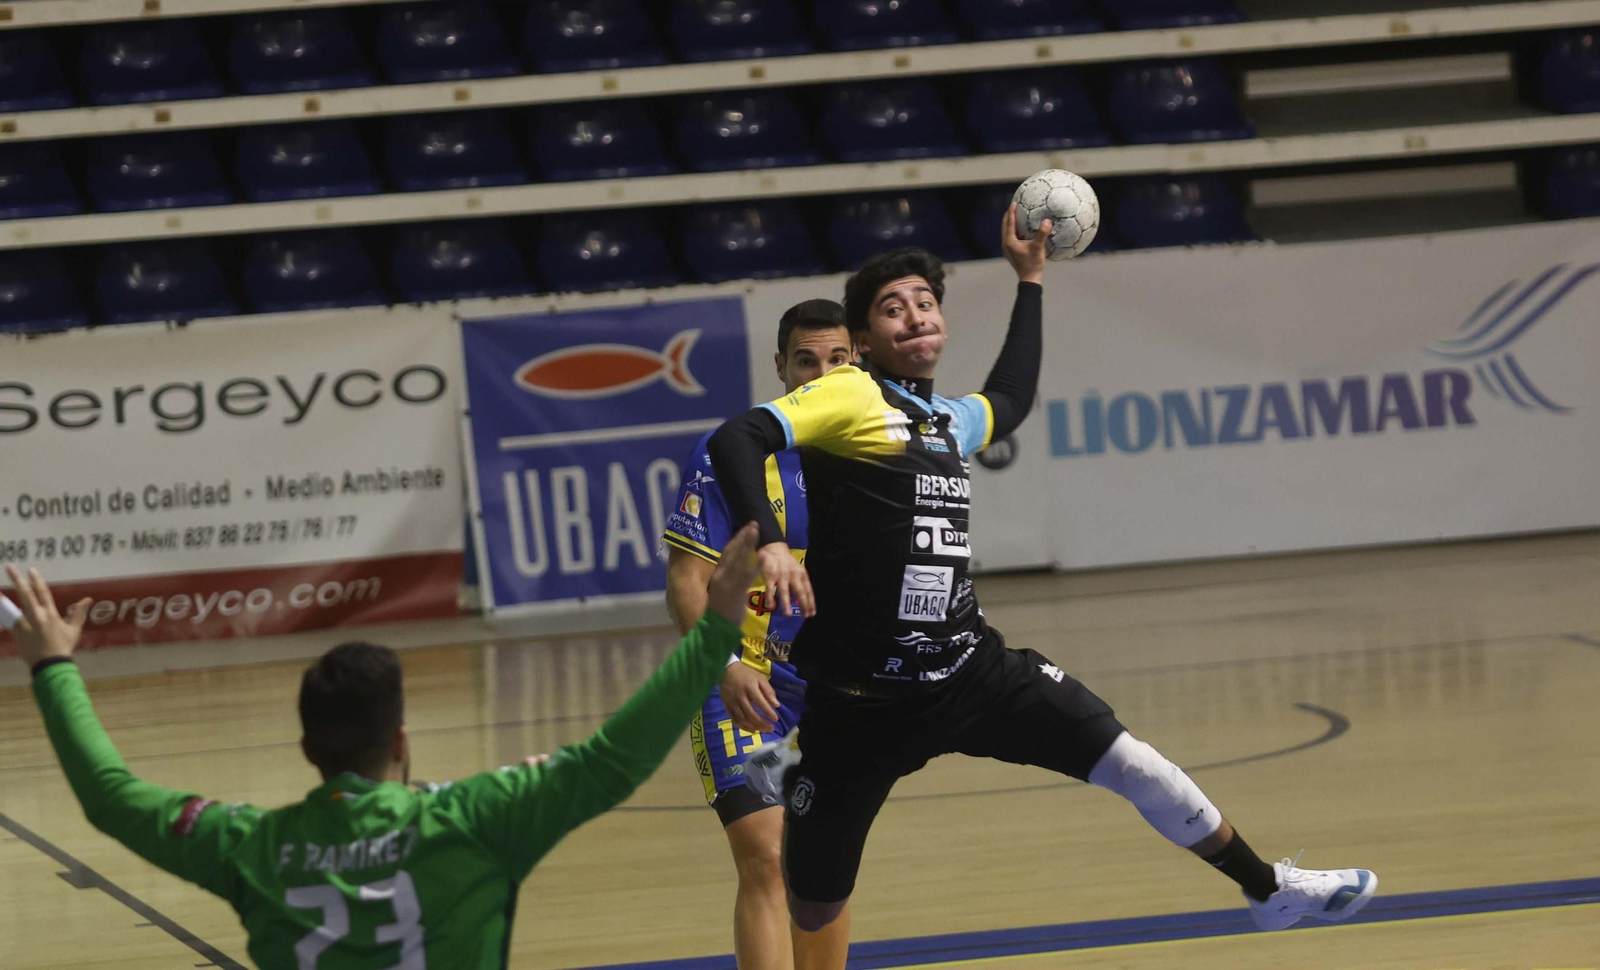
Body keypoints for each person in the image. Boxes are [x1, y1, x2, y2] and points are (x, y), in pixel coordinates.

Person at [707, 205, 1377, 958]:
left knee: (1133, 762)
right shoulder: (853, 395)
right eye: (893, 309)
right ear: (863, 343)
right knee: (813, 893)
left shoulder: (946, 420)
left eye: (926, 303)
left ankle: (1268, 888)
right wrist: (769, 542)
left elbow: (1012, 397)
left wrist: (1029, 280)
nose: (916, 315)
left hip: (970, 672)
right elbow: (738, 436)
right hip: (861, 703)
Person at [4, 524, 762, 970]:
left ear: (306, 747)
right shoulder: (477, 819)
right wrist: (717, 628)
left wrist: (52, 666)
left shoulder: (251, 848)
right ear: (400, 738)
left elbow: (107, 795)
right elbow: (614, 759)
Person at [662, 299, 853, 970]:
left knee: (820, 862)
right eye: (807, 360)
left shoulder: (876, 457)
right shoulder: (735, 452)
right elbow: (687, 578)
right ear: (781, 367)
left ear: (857, 364)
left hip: (830, 697)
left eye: (837, 360)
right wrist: (722, 668)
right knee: (768, 856)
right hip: (746, 687)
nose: (821, 373)